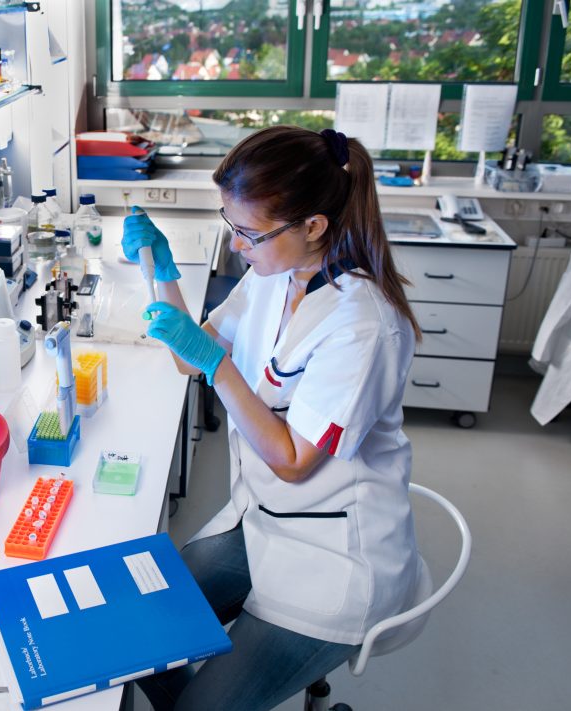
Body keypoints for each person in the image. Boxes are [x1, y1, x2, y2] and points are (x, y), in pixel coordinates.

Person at [124, 126, 423, 711]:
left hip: (333, 554)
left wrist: (220, 366)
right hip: (261, 520)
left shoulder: (362, 325)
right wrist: (160, 269)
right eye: (230, 225)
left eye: (250, 233)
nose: (237, 245)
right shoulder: (273, 275)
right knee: (136, 633)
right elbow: (193, 359)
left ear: (314, 225)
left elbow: (290, 460)